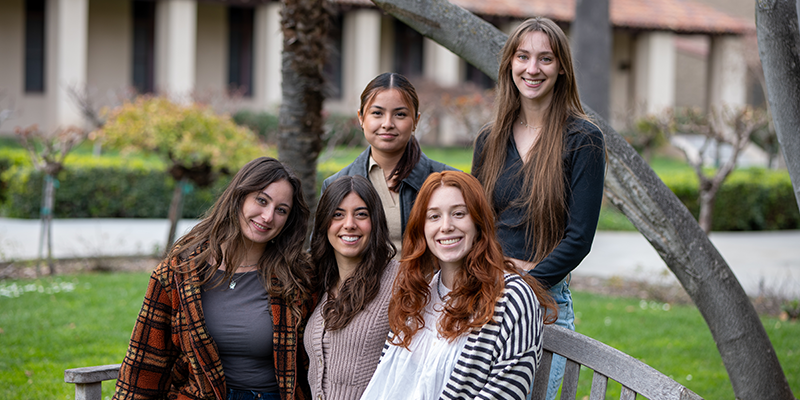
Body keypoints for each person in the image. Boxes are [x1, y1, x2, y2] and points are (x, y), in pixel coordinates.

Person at [470, 17, 606, 400]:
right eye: (523, 57)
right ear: (509, 63)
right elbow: (476, 223)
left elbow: (579, 238)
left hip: (544, 305)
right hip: (486, 297)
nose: (532, 69)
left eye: (545, 59)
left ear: (562, 66)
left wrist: (523, 286)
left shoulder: (583, 139)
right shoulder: (489, 139)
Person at [113, 157, 314, 400]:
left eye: (281, 210)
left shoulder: (298, 277)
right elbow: (144, 362)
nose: (268, 216)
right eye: (261, 200)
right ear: (239, 196)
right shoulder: (179, 274)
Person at [360, 171, 556, 400]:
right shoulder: (418, 294)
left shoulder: (512, 298)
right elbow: (388, 382)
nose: (446, 226)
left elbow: (507, 393)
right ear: (421, 228)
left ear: (478, 223)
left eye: (459, 213)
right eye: (434, 216)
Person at [321, 72, 456, 254]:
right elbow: (322, 253)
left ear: (415, 120)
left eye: (400, 114)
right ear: (361, 118)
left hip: (427, 283)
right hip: (360, 283)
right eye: (377, 113)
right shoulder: (335, 184)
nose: (387, 124)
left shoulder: (449, 182)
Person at [304, 175, 399, 399]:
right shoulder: (315, 282)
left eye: (361, 214)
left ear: (375, 222)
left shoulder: (399, 281)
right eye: (338, 214)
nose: (349, 224)